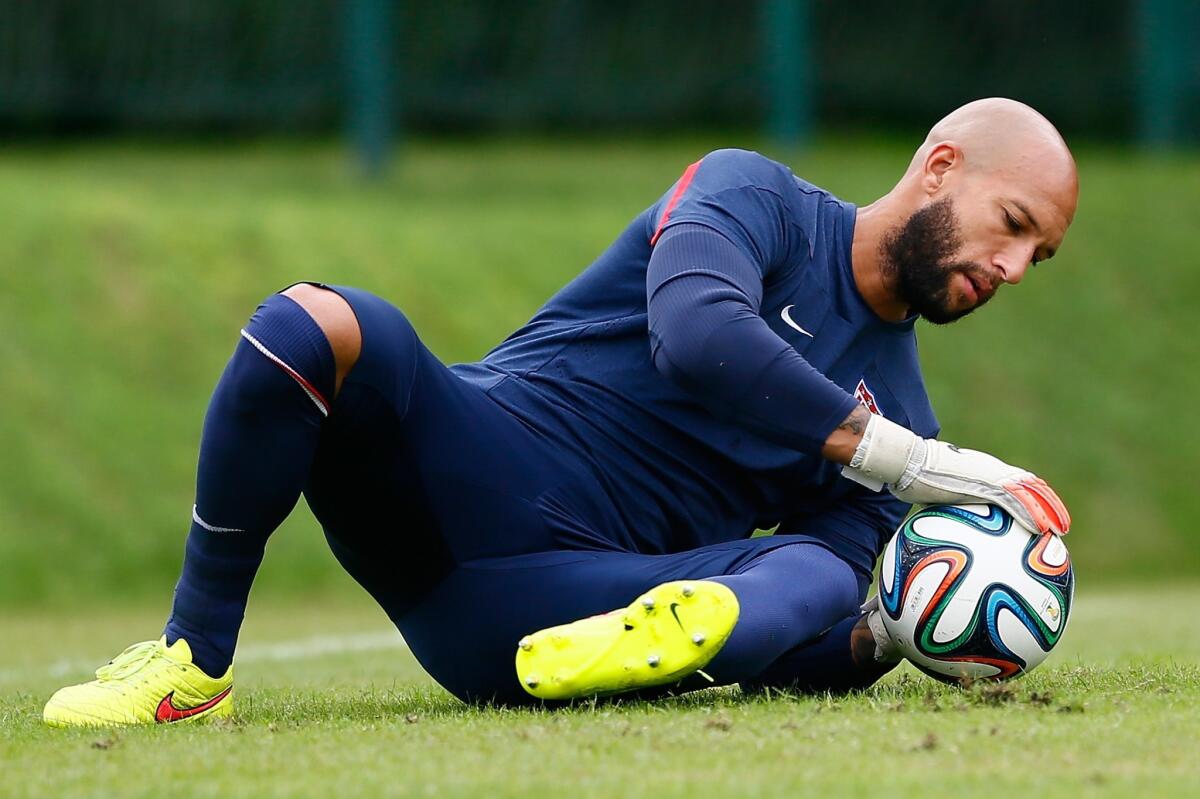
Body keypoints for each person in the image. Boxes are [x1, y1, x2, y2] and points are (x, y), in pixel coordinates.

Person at [43, 97, 1077, 726]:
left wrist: (895, 629)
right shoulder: (752, 194)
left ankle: (643, 650)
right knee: (315, 325)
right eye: (1014, 225)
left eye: (1041, 254)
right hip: (466, 458)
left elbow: (813, 645)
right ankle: (190, 661)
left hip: (549, 608)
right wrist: (905, 462)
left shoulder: (898, 407)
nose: (1016, 266)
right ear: (942, 167)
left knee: (822, 571)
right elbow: (697, 331)